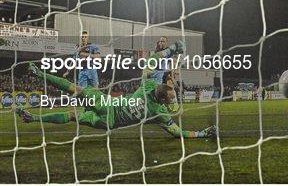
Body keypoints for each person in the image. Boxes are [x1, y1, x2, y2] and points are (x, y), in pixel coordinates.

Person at [17, 41, 215, 139]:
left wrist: (172, 49)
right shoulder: (159, 113)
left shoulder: (148, 86)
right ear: (163, 100)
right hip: (109, 122)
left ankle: (39, 74)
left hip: (108, 104)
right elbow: (178, 133)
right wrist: (202, 133)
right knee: (72, 116)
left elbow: (152, 61)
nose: (172, 99)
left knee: (74, 89)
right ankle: (32, 118)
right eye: (171, 98)